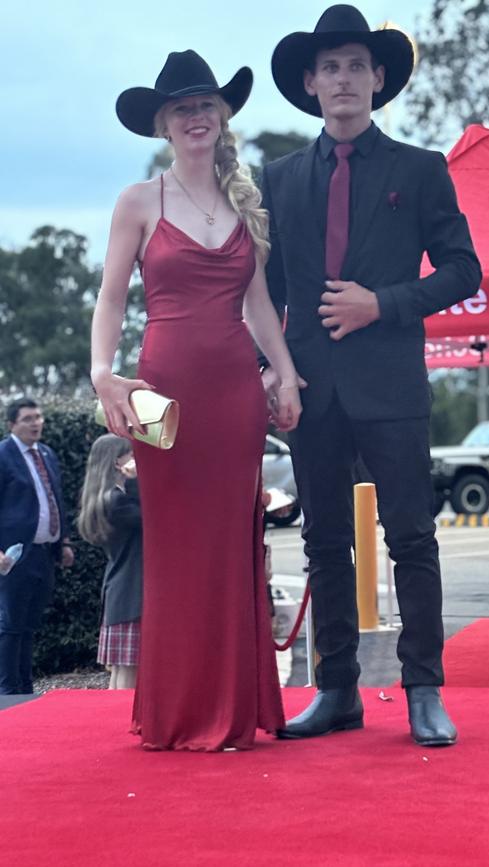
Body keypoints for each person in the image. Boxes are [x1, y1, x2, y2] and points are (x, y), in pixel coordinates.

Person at [262, 5, 483, 746]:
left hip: (391, 384)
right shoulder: (280, 177)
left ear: (379, 78)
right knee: (324, 541)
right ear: (310, 84)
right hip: (310, 389)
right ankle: (337, 690)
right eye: (330, 67)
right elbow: (264, 292)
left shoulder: (420, 169)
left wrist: (380, 304)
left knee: (412, 537)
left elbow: (463, 270)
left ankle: (423, 688)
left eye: (357, 64)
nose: (344, 78)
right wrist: (276, 371)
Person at [91, 50, 302, 750]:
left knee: (230, 544)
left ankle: (232, 707)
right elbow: (113, 298)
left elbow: (262, 305)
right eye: (181, 108)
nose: (195, 116)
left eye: (205, 104)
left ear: (223, 115)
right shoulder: (136, 202)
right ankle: (179, 710)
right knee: (176, 544)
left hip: (237, 394)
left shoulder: (245, 199)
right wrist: (102, 373)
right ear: (162, 123)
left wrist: (288, 375)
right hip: (160, 392)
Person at [0, 398, 74, 694]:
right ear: (11, 425)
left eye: (39, 417)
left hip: (43, 553)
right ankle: (7, 691)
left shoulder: (46, 454)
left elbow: (56, 498)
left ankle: (25, 688)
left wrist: (64, 542)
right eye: (28, 418)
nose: (36, 423)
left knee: (29, 624)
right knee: (11, 623)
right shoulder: (3, 455)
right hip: (14, 555)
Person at [78, 434, 142, 690]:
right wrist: (136, 480)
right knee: (129, 669)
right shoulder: (119, 501)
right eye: (132, 455)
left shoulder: (107, 498)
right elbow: (150, 515)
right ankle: (120, 723)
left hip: (121, 591)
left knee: (121, 668)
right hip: (131, 593)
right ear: (118, 462)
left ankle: (115, 722)